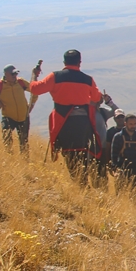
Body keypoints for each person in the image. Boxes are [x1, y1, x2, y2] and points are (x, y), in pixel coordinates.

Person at [29, 49, 103, 182]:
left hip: (63, 121)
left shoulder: (55, 76)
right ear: (79, 62)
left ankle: (78, 182)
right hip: (83, 123)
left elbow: (35, 89)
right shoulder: (87, 79)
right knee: (82, 153)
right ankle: (83, 182)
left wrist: (34, 75)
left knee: (69, 154)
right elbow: (97, 97)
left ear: (64, 62)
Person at [0, 64, 38, 152]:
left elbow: (35, 91)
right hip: (8, 116)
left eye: (16, 74)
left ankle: (25, 160)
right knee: (6, 137)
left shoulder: (21, 82)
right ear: (6, 74)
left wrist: (32, 104)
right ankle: (9, 156)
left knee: (24, 140)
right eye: (12, 74)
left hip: (23, 116)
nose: (15, 76)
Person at [110, 114, 136, 195]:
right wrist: (115, 169)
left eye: (134, 124)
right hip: (122, 168)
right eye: (131, 124)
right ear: (125, 124)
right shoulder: (118, 137)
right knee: (120, 194)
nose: (133, 126)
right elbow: (114, 154)